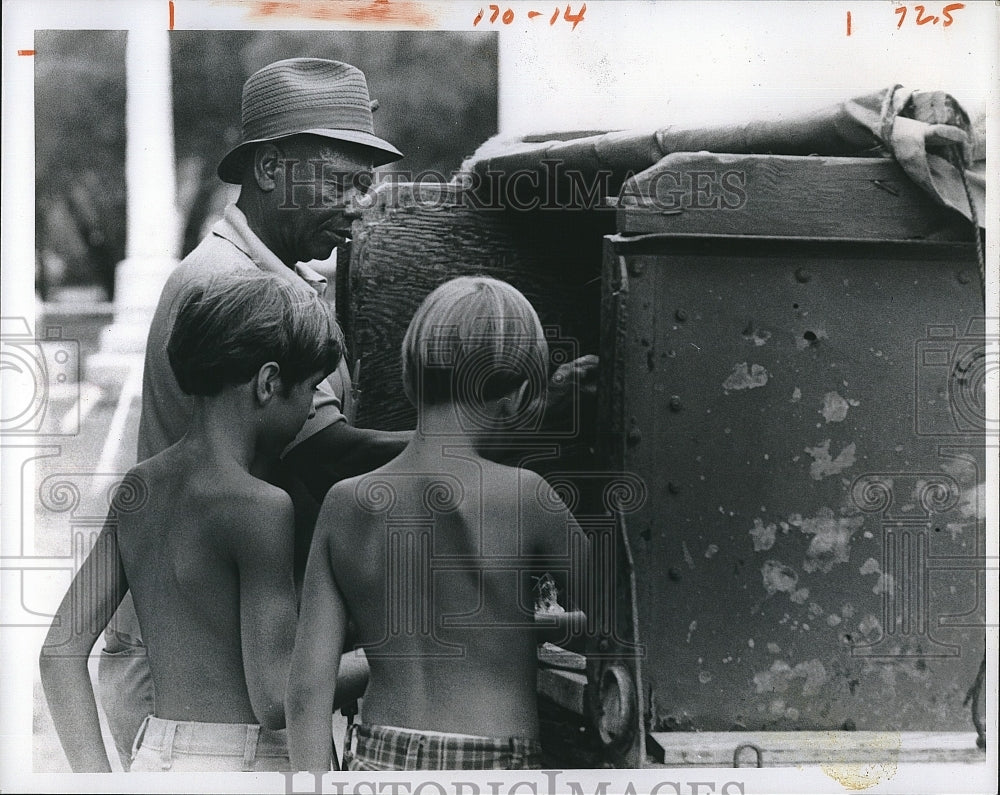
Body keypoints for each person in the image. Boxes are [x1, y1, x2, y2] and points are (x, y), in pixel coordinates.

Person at [40, 271, 348, 772]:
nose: (313, 407)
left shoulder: (138, 488)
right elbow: (274, 697)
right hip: (245, 766)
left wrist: (95, 784)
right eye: (311, 389)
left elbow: (59, 654)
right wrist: (385, 658)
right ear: (269, 383)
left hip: (156, 759)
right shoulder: (260, 506)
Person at [287, 277, 591, 771]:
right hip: (492, 765)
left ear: (410, 381)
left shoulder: (345, 504)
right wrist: (539, 625)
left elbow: (305, 691)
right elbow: (613, 626)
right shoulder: (527, 496)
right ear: (514, 397)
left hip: (378, 758)